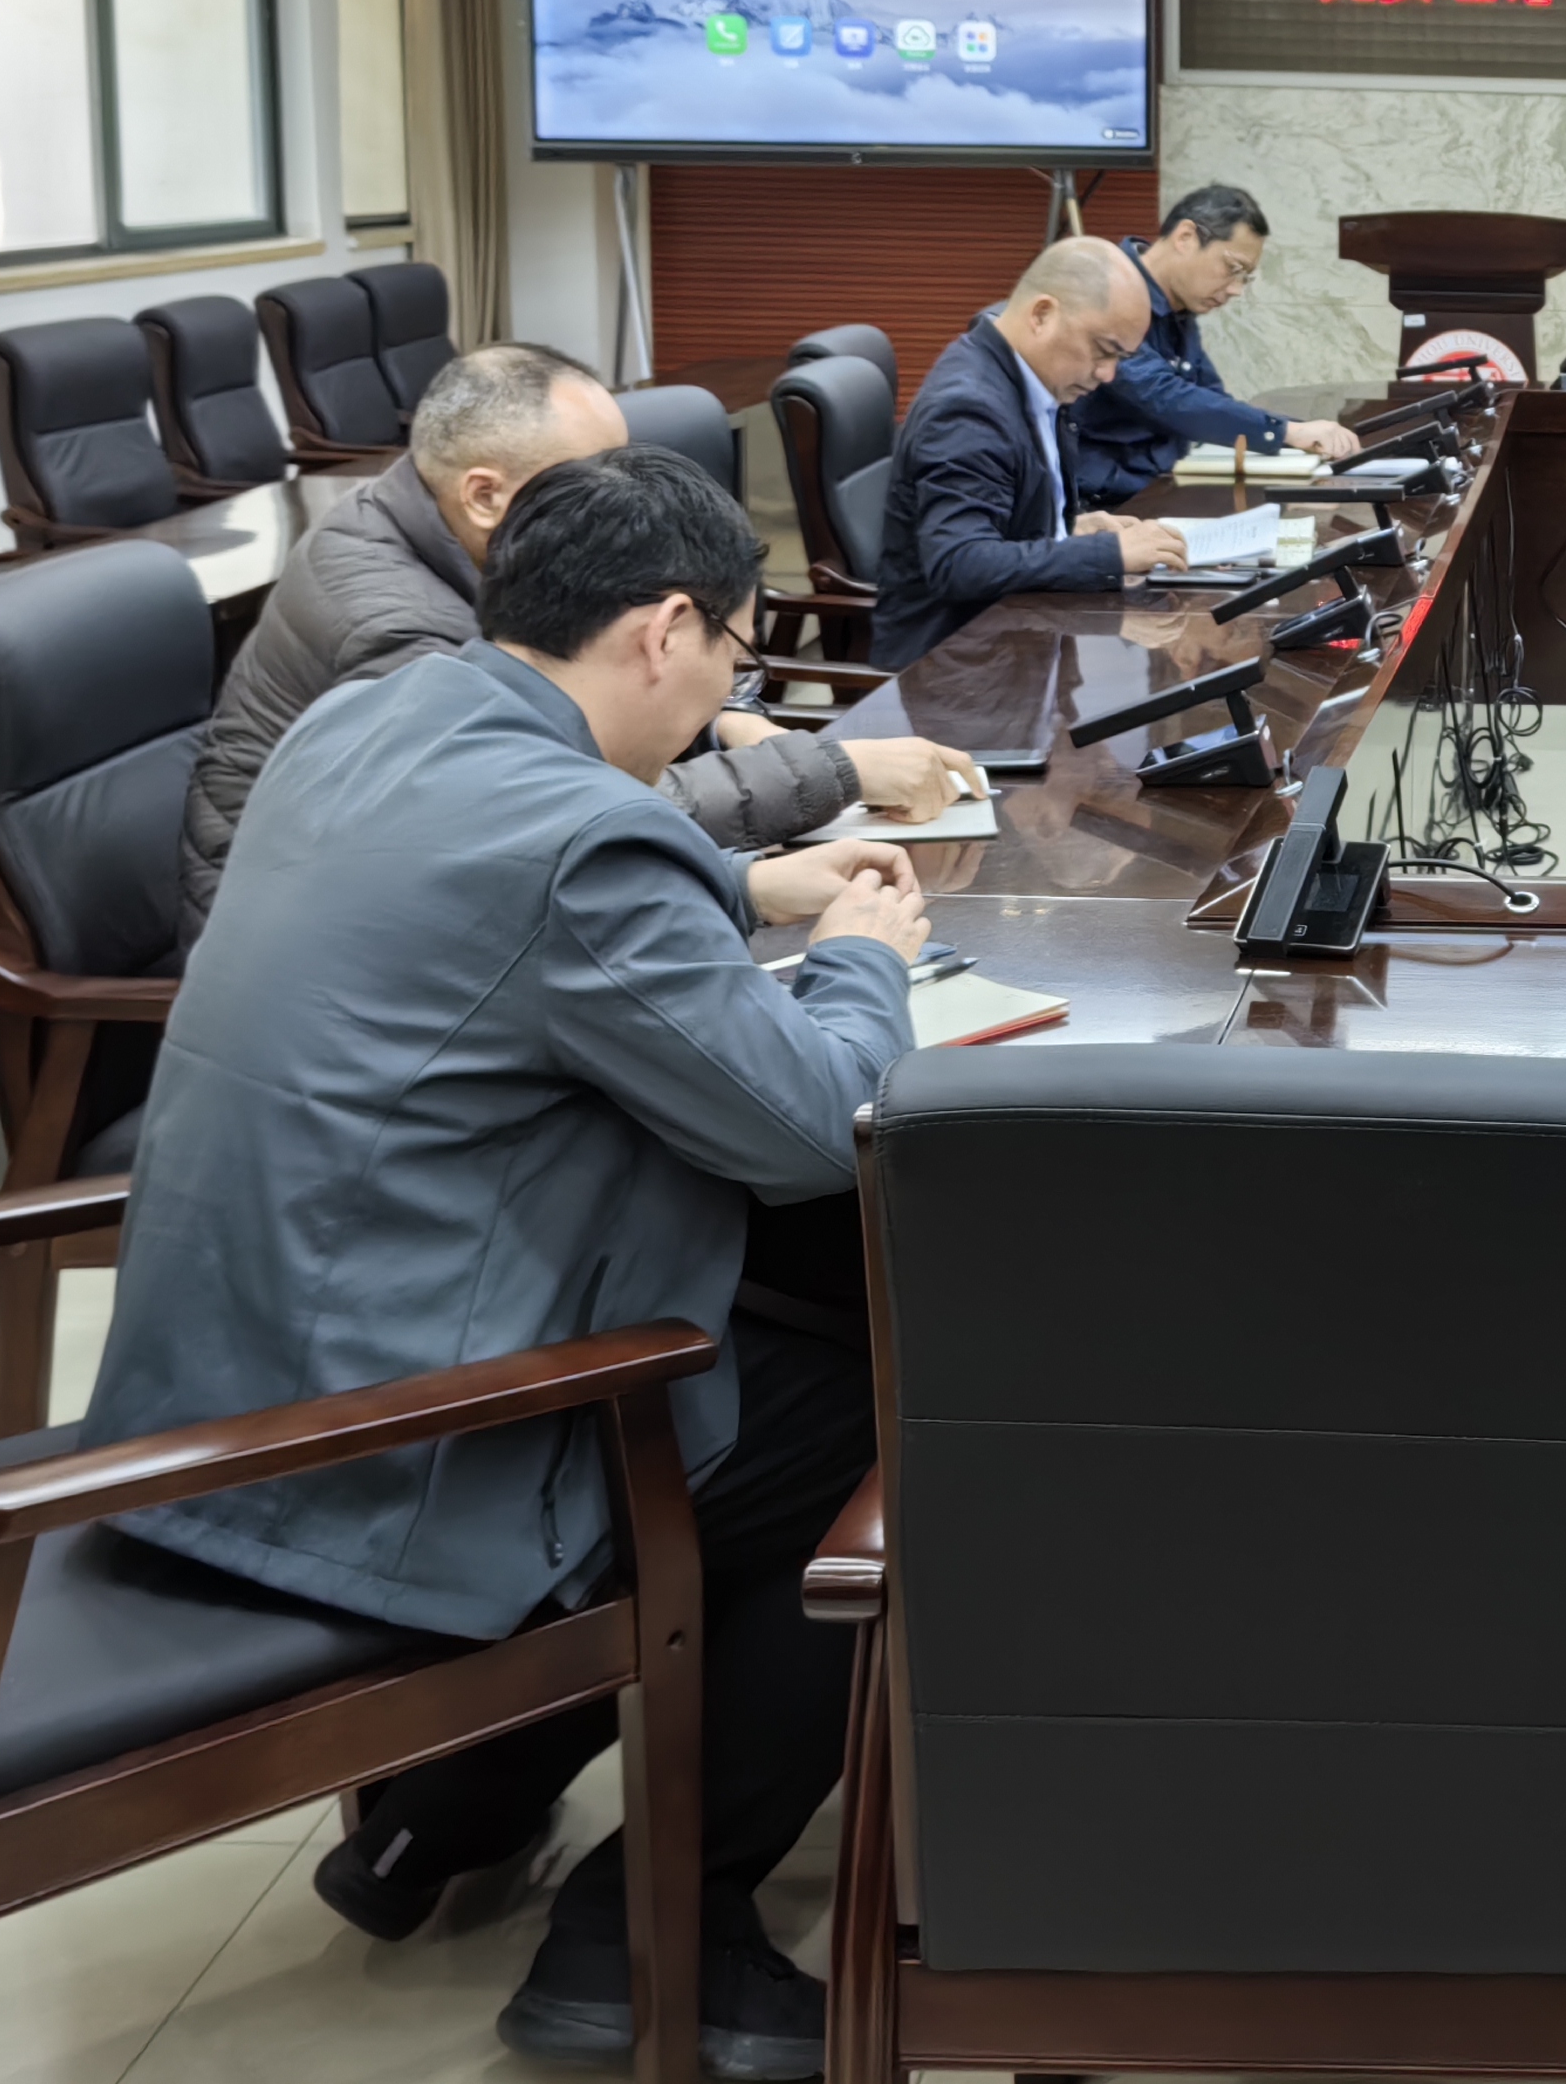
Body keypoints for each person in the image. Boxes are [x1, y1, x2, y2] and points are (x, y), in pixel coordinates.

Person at [82, 446, 933, 2075]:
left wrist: (743, 882)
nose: (728, 691)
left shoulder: (364, 719)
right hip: (384, 1456)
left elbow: (483, 898)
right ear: (666, 628)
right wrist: (858, 965)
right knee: (893, 1421)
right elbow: (807, 1131)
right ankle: (656, 1935)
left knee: (762, 1335)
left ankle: (450, 1808)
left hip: (218, 1387)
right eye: (734, 652)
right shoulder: (584, 841)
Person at [178, 340, 979, 941]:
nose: (620, 496)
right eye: (587, 477)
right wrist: (833, 770)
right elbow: (566, 812)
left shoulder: (464, 539)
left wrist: (723, 719)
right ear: (484, 495)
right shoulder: (400, 630)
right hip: (323, 947)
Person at [870, 236, 1190, 669]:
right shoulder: (968, 408)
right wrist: (1108, 555)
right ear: (1042, 315)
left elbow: (1000, 518)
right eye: (1103, 350)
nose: (1108, 374)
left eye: (1121, 358)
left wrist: (1064, 529)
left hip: (1020, 643)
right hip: (954, 672)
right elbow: (960, 562)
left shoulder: (1033, 378)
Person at [1066, 180, 1367, 501]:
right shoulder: (1108, 289)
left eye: (1245, 277)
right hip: (1101, 501)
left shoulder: (1178, 305)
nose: (1236, 289)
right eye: (1232, 268)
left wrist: (1298, 434)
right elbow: (1164, 396)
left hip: (1159, 485)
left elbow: (1209, 398)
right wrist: (1288, 432)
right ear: (1185, 237)